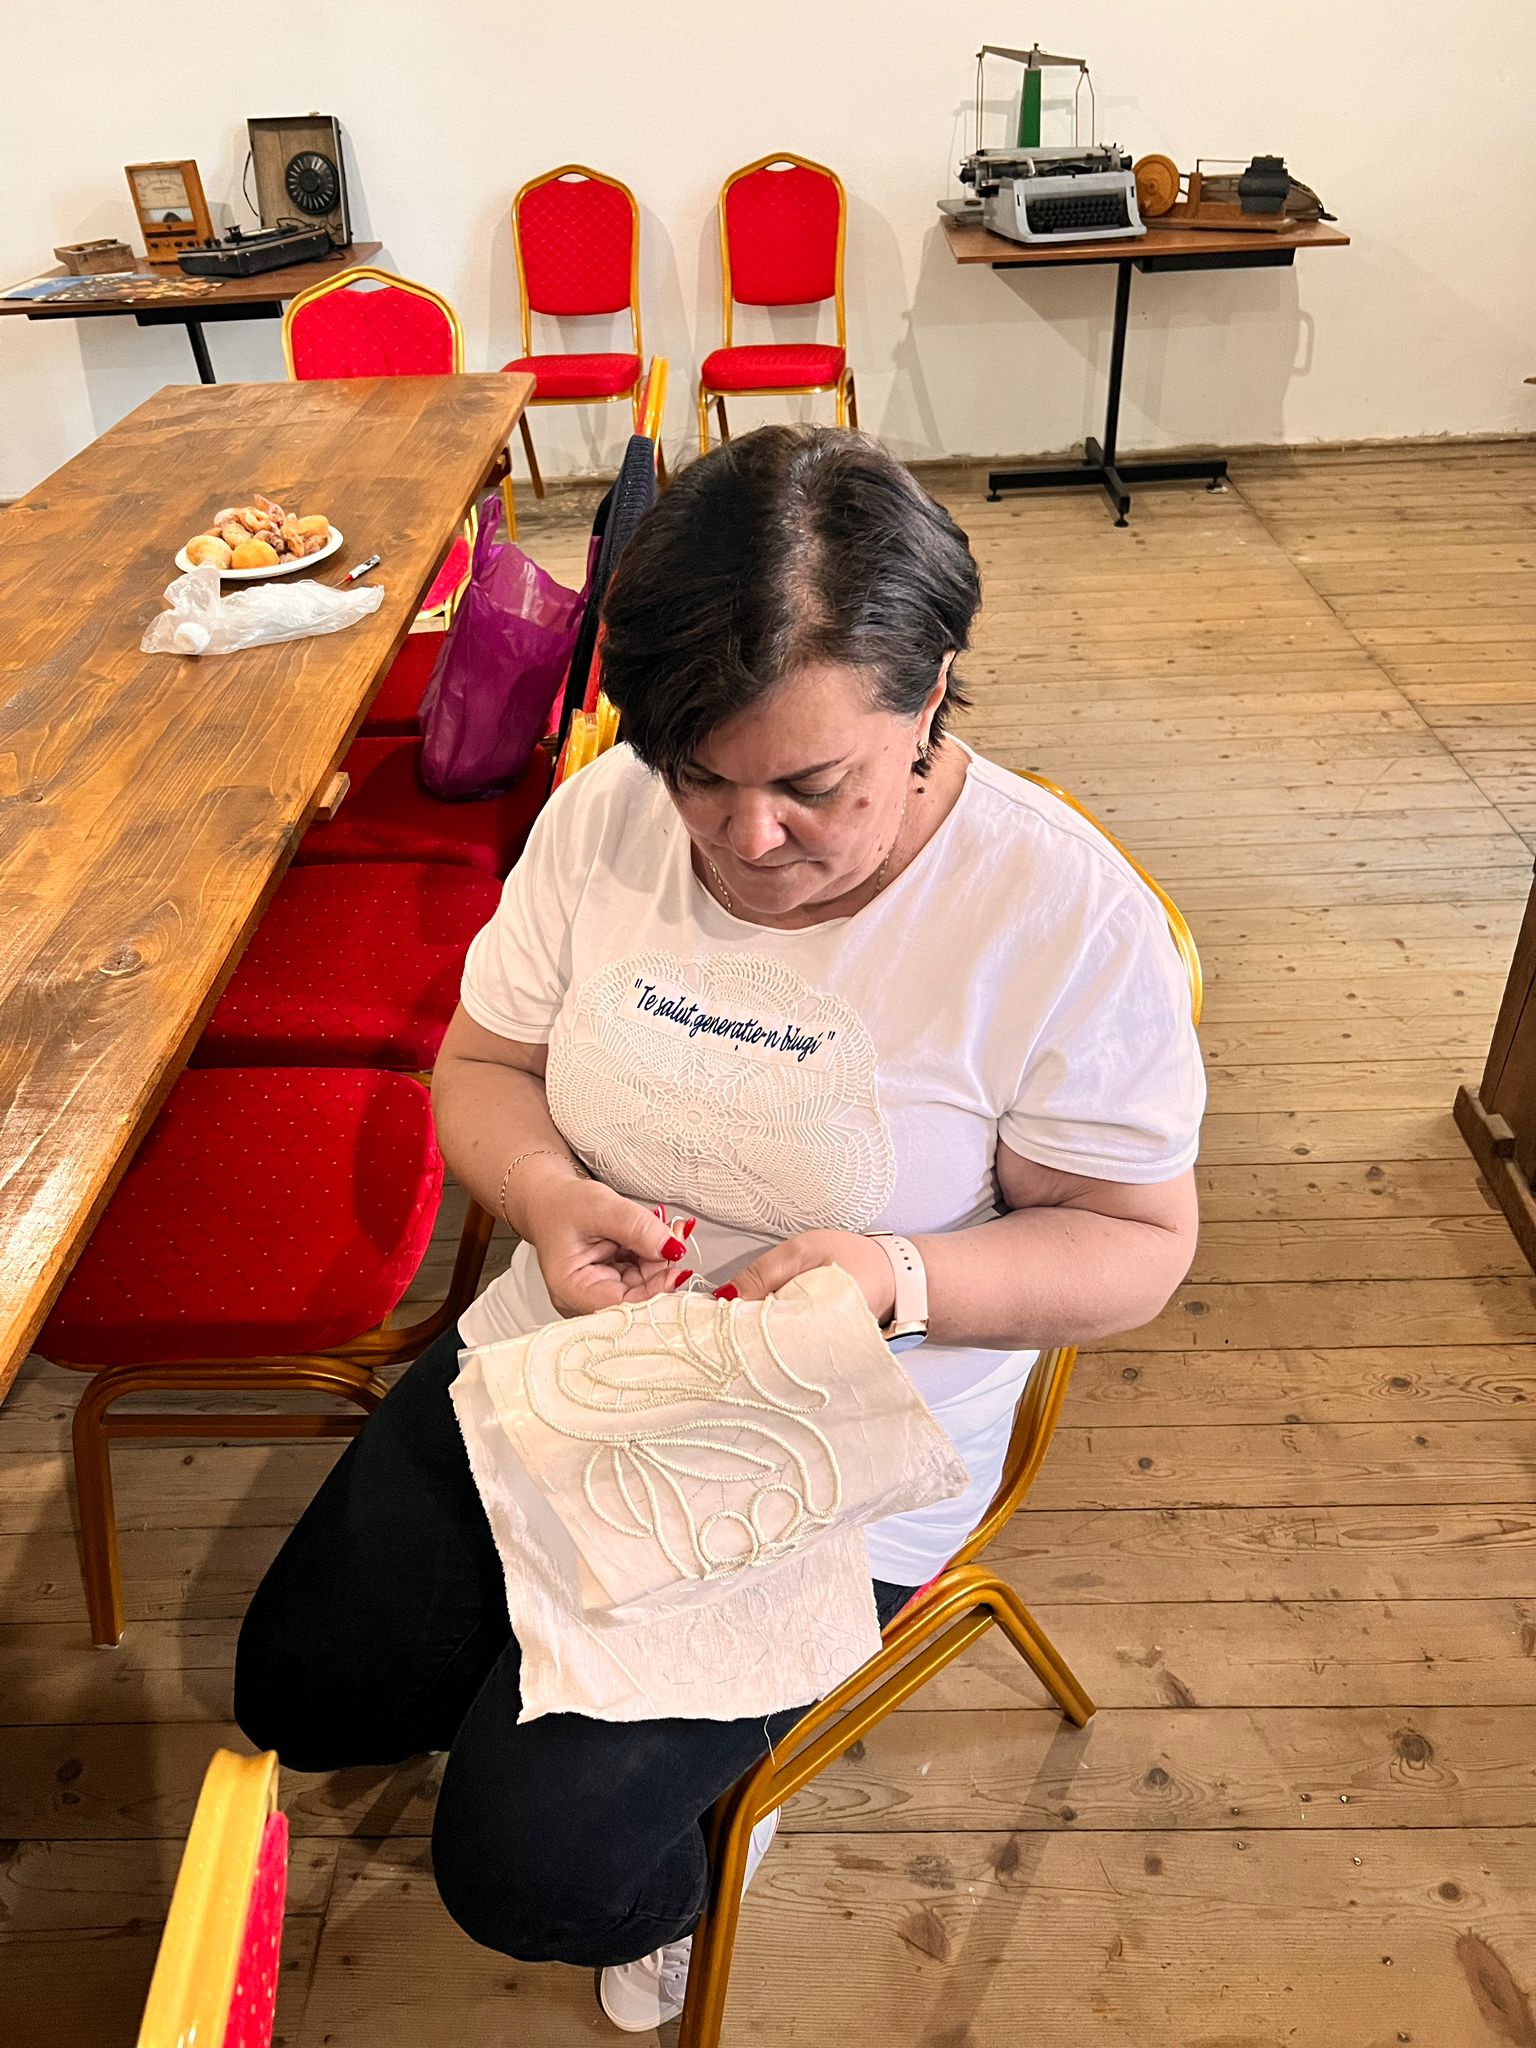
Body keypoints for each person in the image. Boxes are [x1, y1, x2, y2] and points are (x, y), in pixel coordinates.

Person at [235, 425, 1203, 2031]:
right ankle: (563, 1700)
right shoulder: (604, 816)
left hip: (835, 1442)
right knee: (301, 1703)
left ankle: (686, 1863)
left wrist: (894, 1277)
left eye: (815, 788)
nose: (747, 842)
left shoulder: (1058, 917)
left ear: (931, 697)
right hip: (574, 1355)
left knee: (530, 1877)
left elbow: (1136, 1246)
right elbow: (483, 1068)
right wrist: (549, 1198)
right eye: (701, 774)